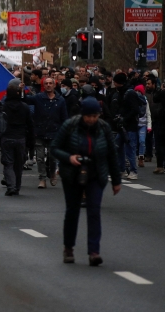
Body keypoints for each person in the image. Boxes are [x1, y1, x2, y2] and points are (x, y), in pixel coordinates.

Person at [51, 97, 122, 266]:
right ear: (82, 114)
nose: (91, 119)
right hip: (72, 174)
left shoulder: (104, 128)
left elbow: (112, 154)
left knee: (94, 211)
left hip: (96, 174)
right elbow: (55, 148)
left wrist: (116, 180)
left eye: (95, 116)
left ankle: (94, 251)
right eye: (88, 116)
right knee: (72, 211)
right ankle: (68, 248)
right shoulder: (70, 125)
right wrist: (69, 157)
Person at [26, 76, 68, 189]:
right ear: (44, 86)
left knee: (52, 156)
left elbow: (64, 117)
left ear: (54, 85)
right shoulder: (38, 98)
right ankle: (42, 178)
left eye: (50, 83)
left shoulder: (60, 100)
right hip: (39, 131)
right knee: (39, 157)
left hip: (54, 132)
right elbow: (26, 99)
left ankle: (52, 173)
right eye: (46, 83)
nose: (48, 85)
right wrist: (20, 90)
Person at [0, 80, 34, 196]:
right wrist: (31, 140)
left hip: (7, 136)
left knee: (8, 163)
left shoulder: (4, 107)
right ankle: (17, 186)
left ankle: (11, 186)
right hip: (20, 138)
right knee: (18, 164)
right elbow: (30, 124)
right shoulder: (24, 107)